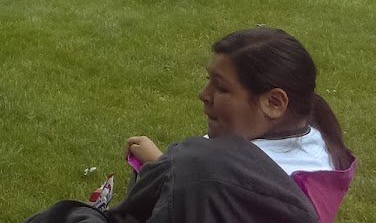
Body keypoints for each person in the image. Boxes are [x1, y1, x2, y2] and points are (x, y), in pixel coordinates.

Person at [26, 27, 354, 223]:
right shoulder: (317, 142)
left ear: (274, 102)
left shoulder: (209, 170)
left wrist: (172, 170)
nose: (204, 95)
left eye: (221, 87)